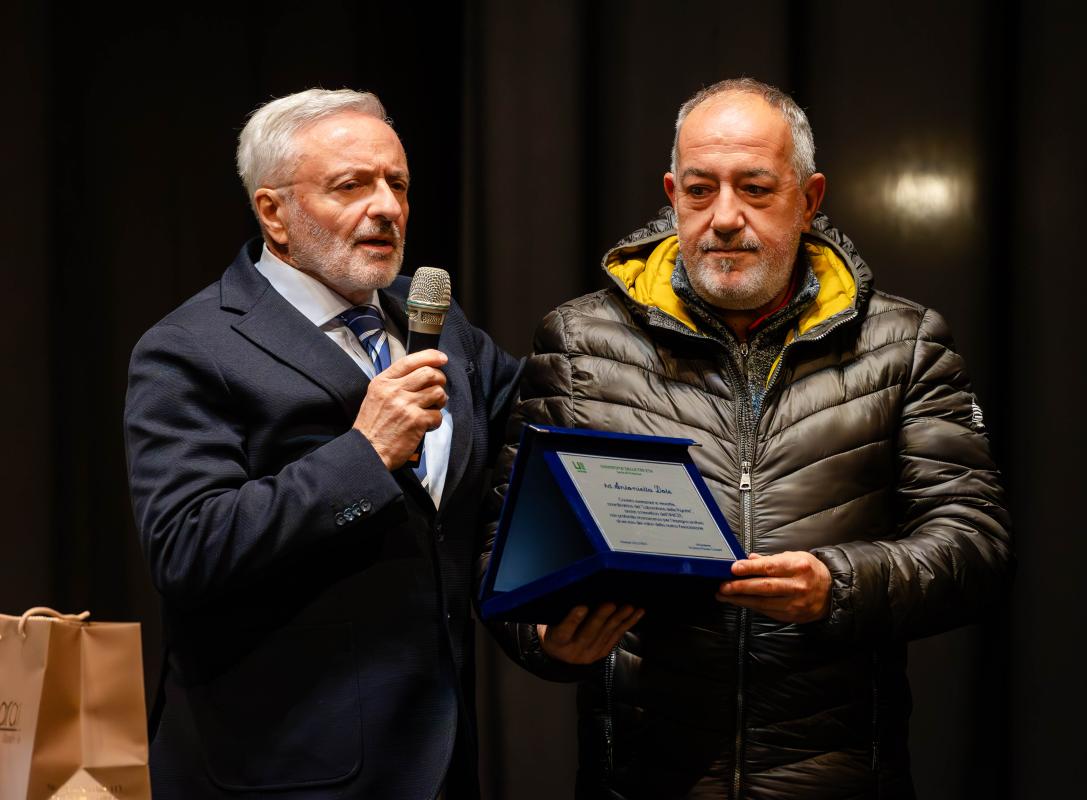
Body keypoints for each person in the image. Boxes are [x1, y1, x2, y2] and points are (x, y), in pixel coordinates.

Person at [482, 78, 1013, 798]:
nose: (725, 217)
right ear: (672, 194)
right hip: (644, 780)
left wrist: (838, 586)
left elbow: (976, 545)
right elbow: (504, 550)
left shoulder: (905, 344)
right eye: (700, 190)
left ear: (809, 198)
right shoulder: (579, 342)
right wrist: (546, 640)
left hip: (836, 777)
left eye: (755, 189)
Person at [124, 88, 521, 799]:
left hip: (438, 764)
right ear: (273, 212)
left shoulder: (438, 323)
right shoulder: (190, 347)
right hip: (282, 772)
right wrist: (364, 454)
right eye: (351, 185)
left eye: (397, 183)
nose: (388, 207)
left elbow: (537, 426)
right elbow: (187, 547)